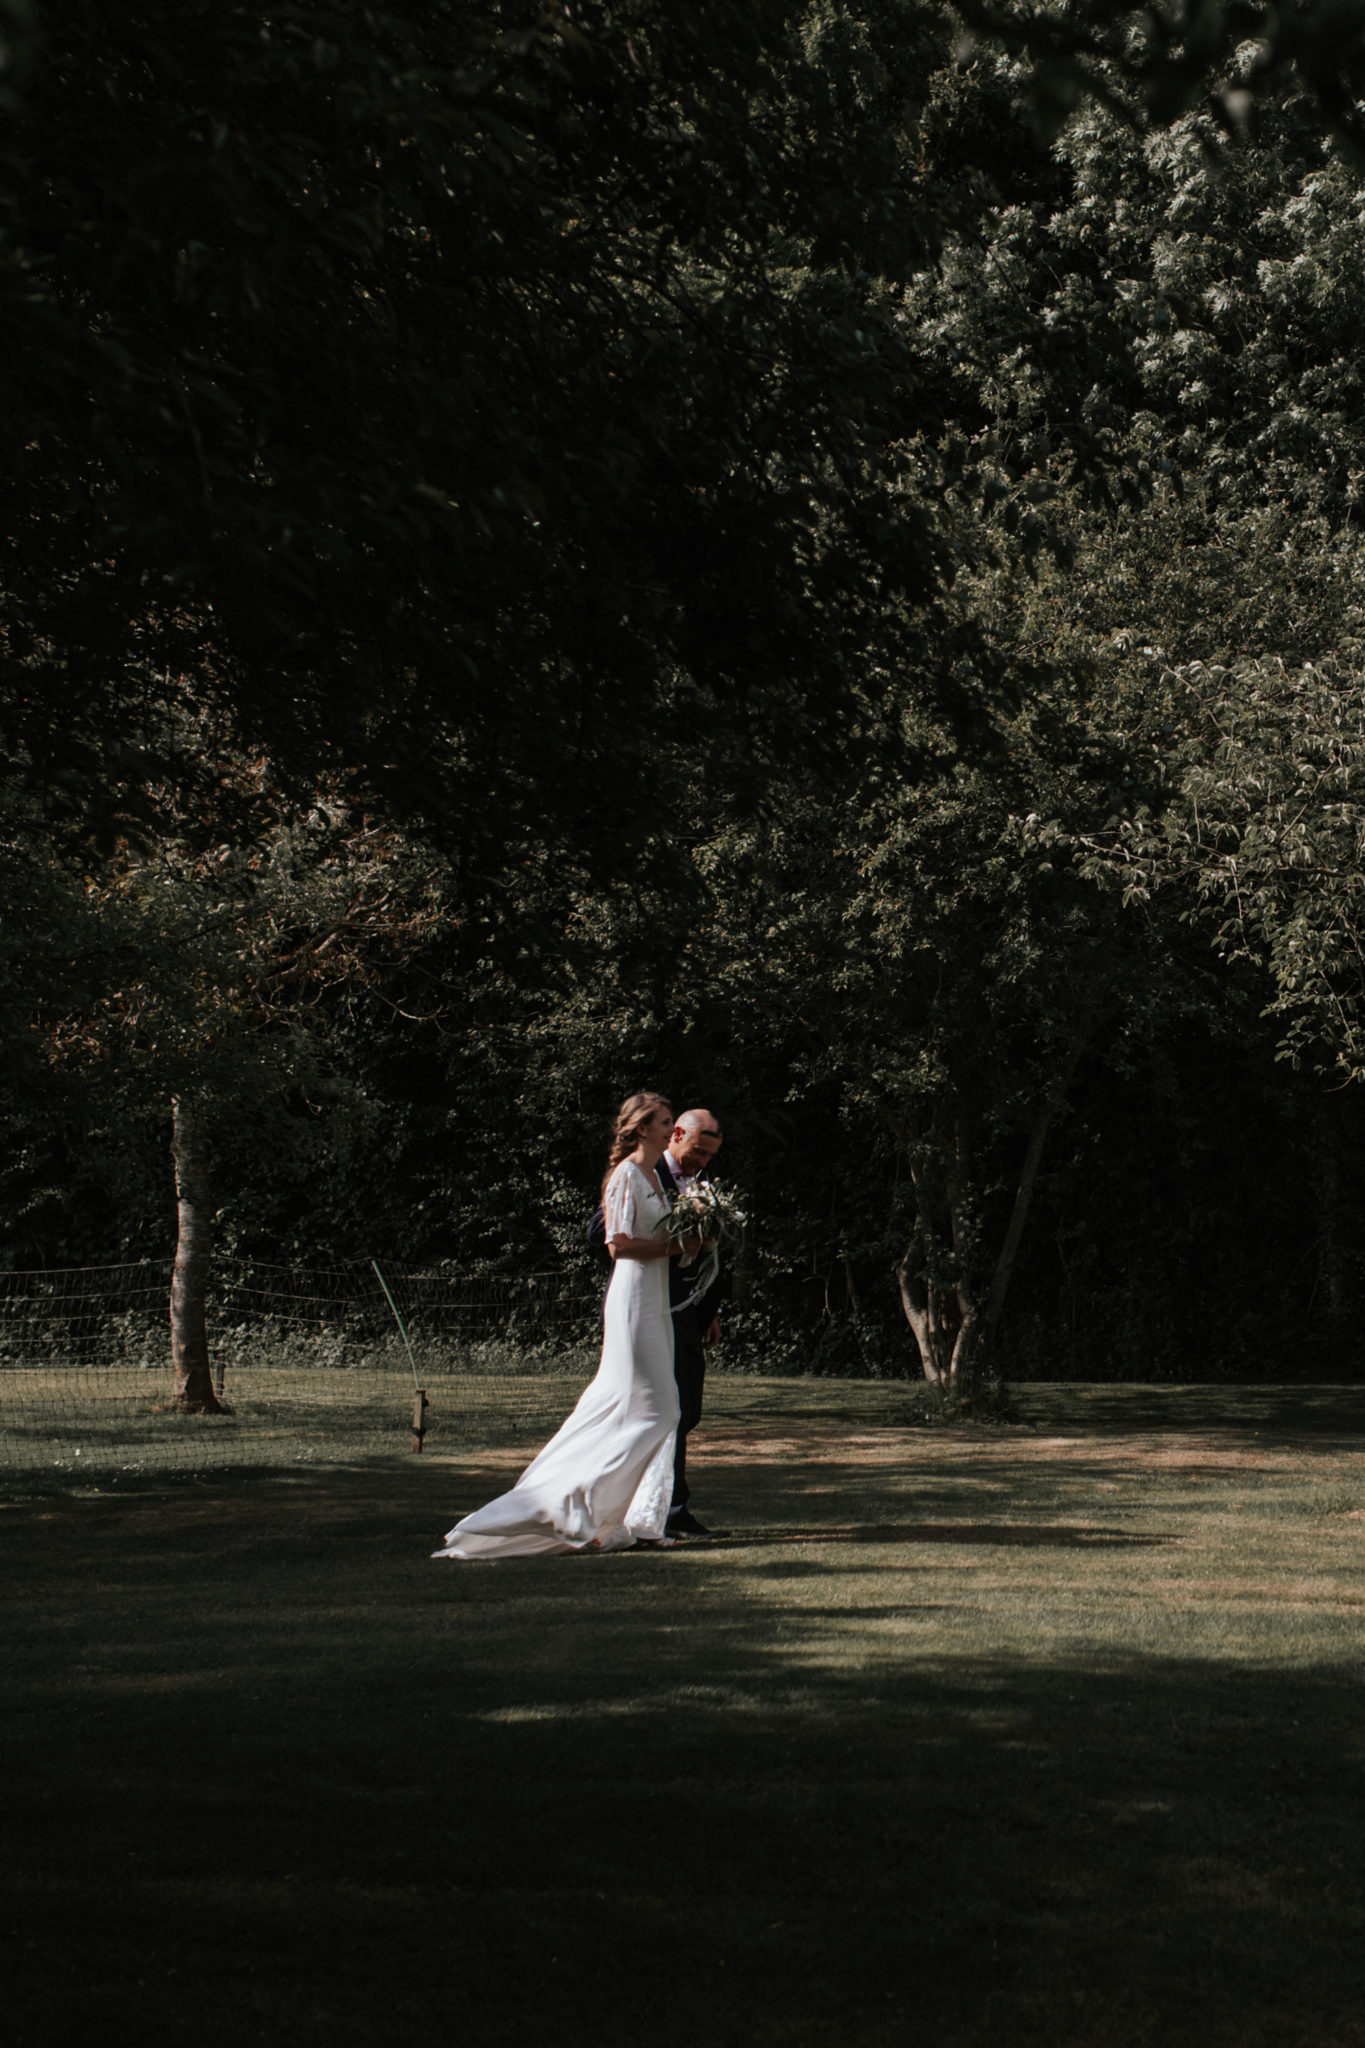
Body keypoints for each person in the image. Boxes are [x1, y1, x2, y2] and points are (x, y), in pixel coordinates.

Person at [433, 1093, 687, 1560]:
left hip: (656, 1296)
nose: (672, 1130)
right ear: (641, 1128)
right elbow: (619, 1243)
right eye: (666, 1122)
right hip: (633, 1297)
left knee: (652, 1409)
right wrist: (674, 1248)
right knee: (658, 1409)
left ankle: (632, 1520)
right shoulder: (627, 1174)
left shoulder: (656, 1176)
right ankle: (575, 1507)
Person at [589, 1106, 725, 1540]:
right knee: (665, 1408)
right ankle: (667, 1509)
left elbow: (709, 1254)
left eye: (708, 1157)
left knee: (684, 1409)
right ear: (675, 1134)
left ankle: (661, 1504)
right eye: (697, 1152)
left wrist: (711, 1310)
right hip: (649, 1307)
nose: (701, 1163)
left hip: (687, 1311)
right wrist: (672, 1243)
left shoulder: (698, 1186)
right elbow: (602, 1233)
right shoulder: (639, 1174)